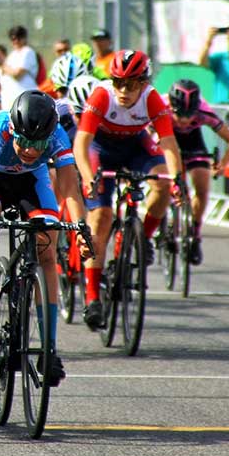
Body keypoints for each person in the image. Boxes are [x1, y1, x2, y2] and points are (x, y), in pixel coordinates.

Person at [0, 91, 86, 387]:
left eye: (38, 144)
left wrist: (83, 229)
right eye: (23, 140)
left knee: (47, 247)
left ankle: (49, 349)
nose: (30, 150)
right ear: (12, 129)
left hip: (32, 182)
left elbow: (70, 190)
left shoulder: (58, 135)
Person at [72, 49, 184, 330]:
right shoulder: (101, 95)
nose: (124, 91)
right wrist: (87, 177)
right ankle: (93, 298)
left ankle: (142, 237)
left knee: (162, 183)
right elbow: (82, 144)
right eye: (119, 83)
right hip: (101, 150)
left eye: (132, 85)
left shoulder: (152, 99)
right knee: (100, 218)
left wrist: (178, 180)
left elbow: (169, 144)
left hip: (136, 147)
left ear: (143, 84)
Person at [167, 79, 229, 265]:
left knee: (202, 184)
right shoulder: (161, 109)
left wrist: (223, 164)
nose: (184, 121)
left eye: (189, 116)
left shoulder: (204, 112)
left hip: (193, 143)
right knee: (172, 179)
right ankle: (169, 221)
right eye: (179, 115)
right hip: (168, 141)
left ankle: (195, 232)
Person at [1, 25, 39, 106]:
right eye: (13, 39)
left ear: (24, 38)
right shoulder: (12, 54)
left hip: (25, 97)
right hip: (11, 99)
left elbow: (17, 74)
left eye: (19, 38)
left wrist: (5, 67)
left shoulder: (28, 52)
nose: (16, 41)